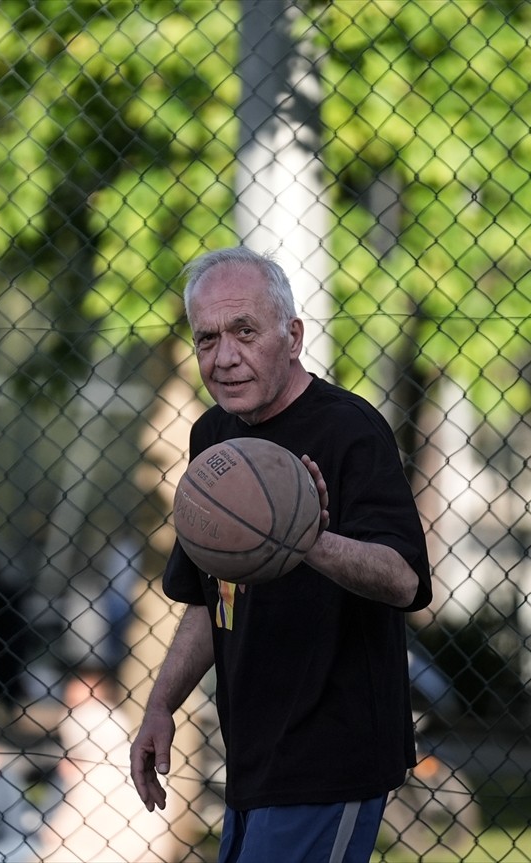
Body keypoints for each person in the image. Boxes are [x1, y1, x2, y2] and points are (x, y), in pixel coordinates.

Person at [130, 247, 432, 863]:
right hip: (252, 757)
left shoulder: (350, 430)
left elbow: (404, 581)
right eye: (207, 338)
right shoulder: (213, 437)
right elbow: (206, 598)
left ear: (292, 335)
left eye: (245, 331)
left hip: (332, 756)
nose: (225, 356)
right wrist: (160, 705)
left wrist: (309, 540)